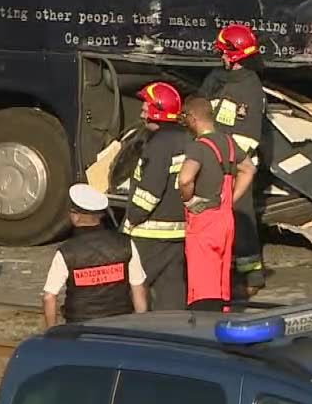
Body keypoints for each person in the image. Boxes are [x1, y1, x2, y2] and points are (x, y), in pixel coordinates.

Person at [201, 24, 268, 297]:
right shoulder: (218, 79)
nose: (221, 57)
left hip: (236, 167)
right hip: (214, 163)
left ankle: (253, 275)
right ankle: (225, 272)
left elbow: (247, 139)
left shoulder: (250, 90)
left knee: (241, 220)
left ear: (236, 55)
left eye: (224, 53)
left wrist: (222, 160)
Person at [117, 82, 191, 310]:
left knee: (129, 290)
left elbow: (150, 190)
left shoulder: (158, 145)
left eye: (145, 106)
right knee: (172, 293)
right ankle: (173, 335)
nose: (141, 111)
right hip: (178, 232)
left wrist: (132, 217)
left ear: (157, 110)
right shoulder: (187, 139)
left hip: (148, 234)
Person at [178, 96, 256, 311]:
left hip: (203, 220)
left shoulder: (198, 147)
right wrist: (231, 198)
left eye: (185, 117)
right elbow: (249, 168)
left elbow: (185, 179)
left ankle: (204, 326)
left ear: (193, 118)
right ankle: (223, 317)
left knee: (203, 285)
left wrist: (188, 199)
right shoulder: (229, 142)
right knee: (221, 280)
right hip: (225, 218)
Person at [43, 185, 149, 326]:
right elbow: (138, 289)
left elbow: (49, 297)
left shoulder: (66, 252)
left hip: (80, 329)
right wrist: (140, 326)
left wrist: (52, 332)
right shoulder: (125, 244)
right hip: (120, 326)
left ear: (75, 217)